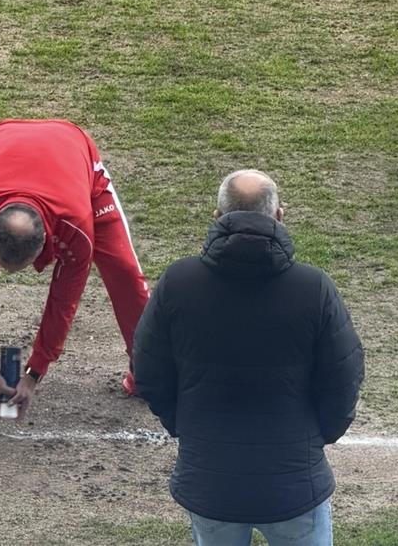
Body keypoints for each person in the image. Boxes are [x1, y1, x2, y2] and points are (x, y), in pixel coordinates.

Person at [133, 169, 364, 546]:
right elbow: (344, 379)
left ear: (217, 217)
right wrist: (316, 438)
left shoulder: (178, 282)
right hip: (294, 483)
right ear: (279, 216)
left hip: (210, 482)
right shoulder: (314, 288)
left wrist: (187, 426)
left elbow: (148, 372)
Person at [0, 119, 150, 424]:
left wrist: (34, 373)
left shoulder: (75, 228)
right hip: (0, 148)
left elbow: (63, 302)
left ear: (47, 242)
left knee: (124, 271)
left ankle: (146, 369)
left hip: (73, 158)